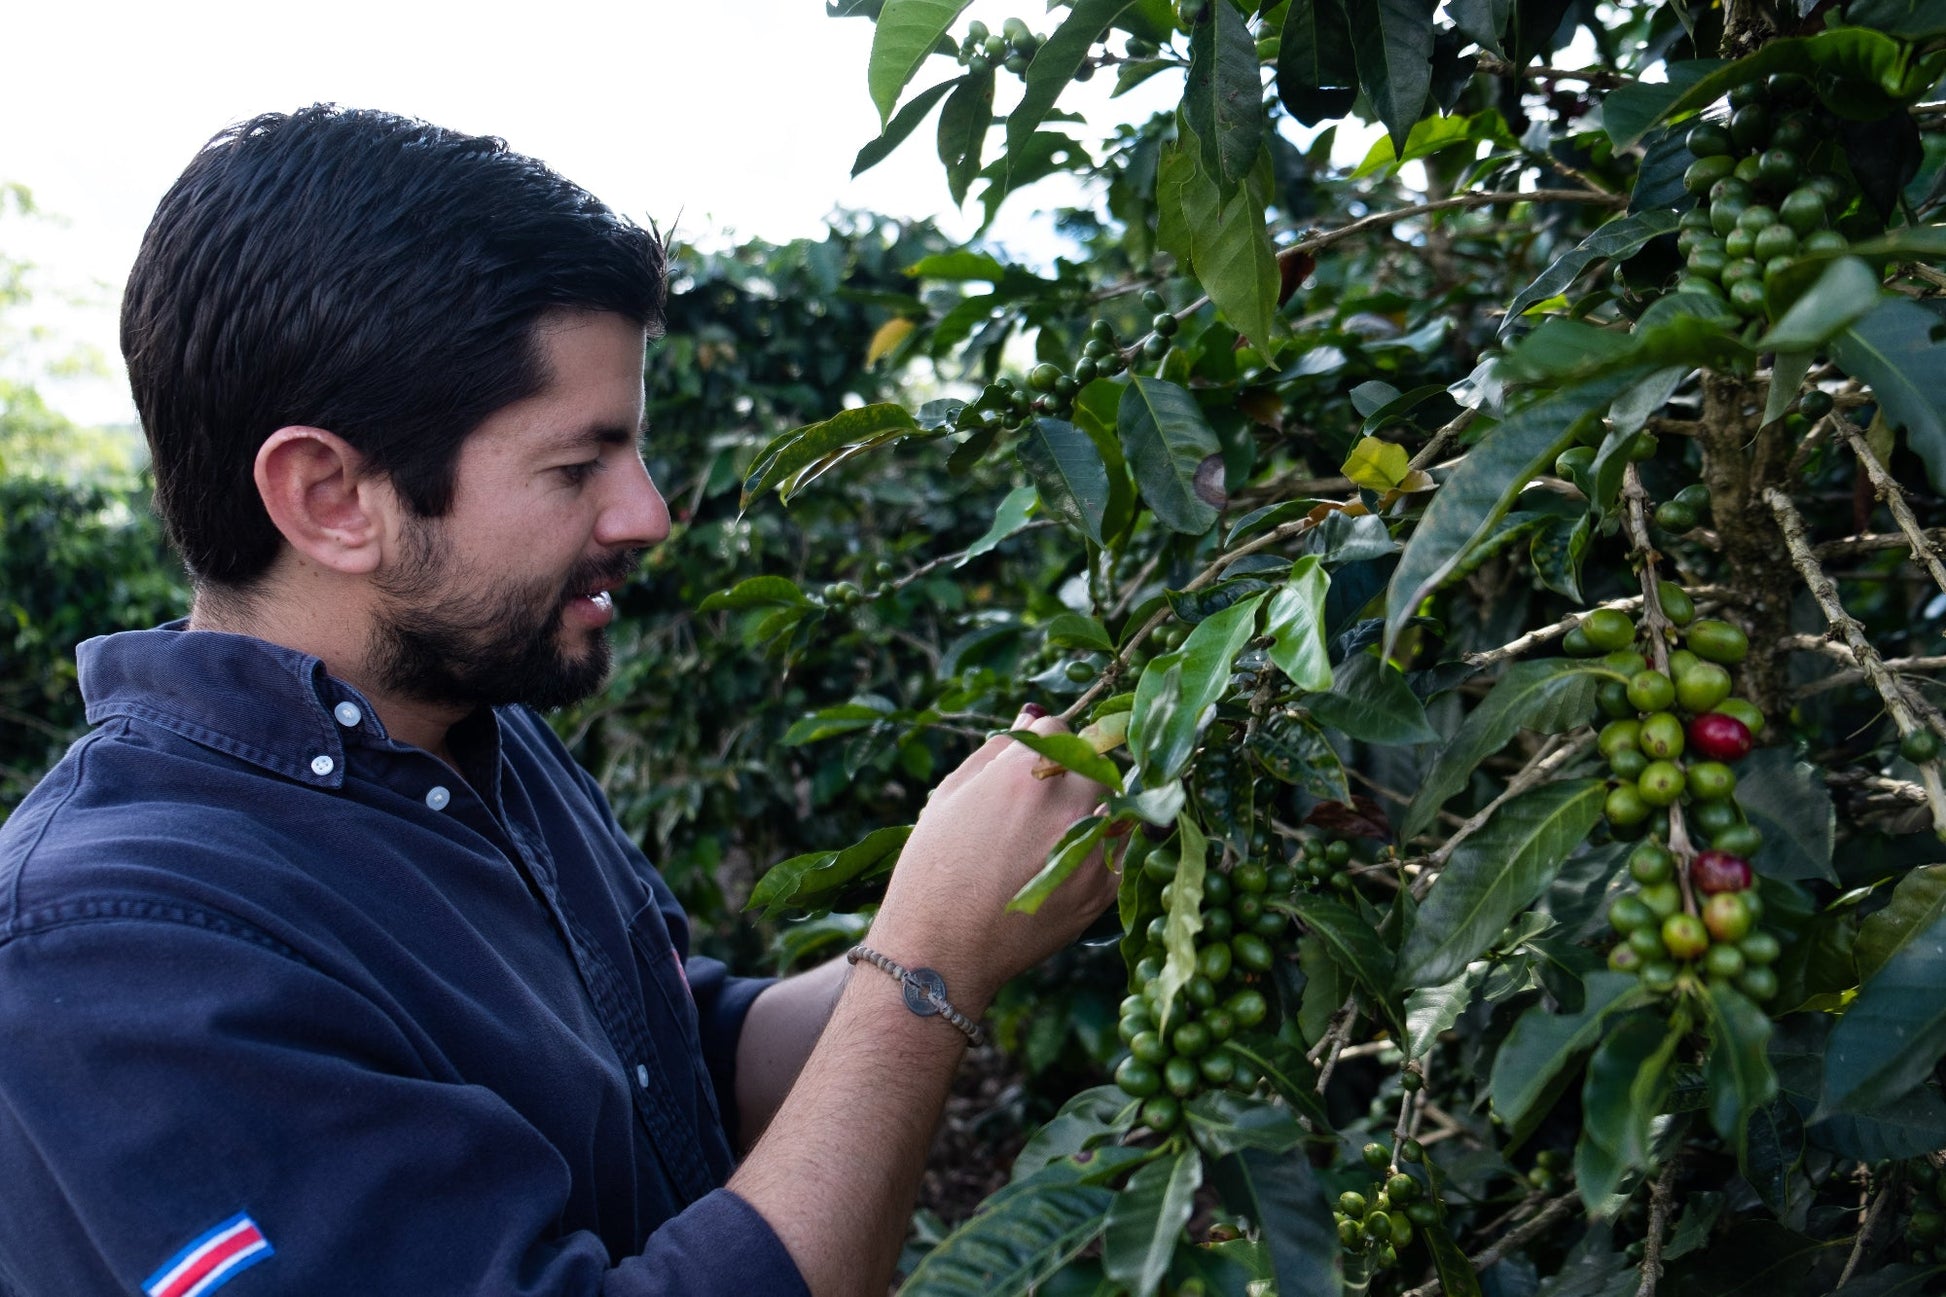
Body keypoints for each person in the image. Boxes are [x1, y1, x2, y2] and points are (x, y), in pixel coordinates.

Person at [0, 105, 1117, 1297]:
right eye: (576, 466)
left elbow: (676, 1064)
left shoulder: (470, 734)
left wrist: (995, 895)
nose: (647, 515)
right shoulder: (113, 951)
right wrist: (923, 966)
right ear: (330, 496)